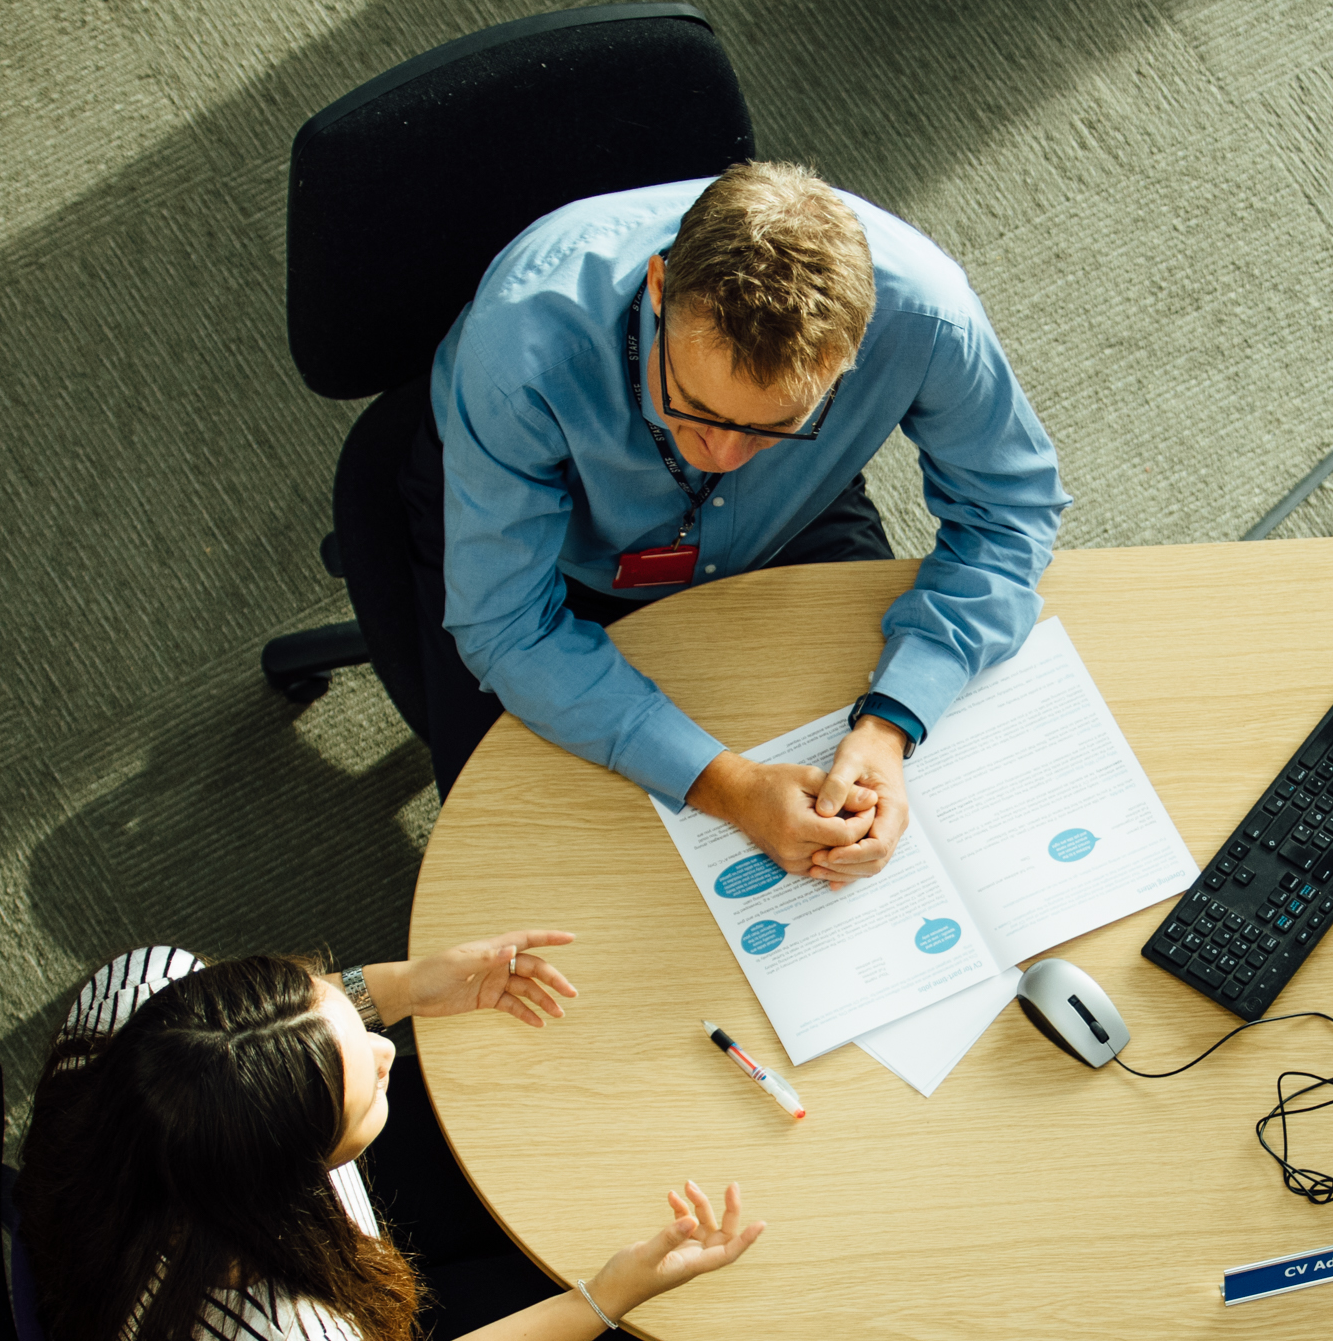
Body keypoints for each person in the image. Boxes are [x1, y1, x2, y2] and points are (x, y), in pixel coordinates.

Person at [356, 160, 1070, 888]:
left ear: (850, 354)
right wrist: (727, 787)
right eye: (694, 406)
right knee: (534, 867)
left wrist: (892, 722)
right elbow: (507, 628)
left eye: (776, 424)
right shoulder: (525, 355)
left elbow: (1010, 508)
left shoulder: (925, 317)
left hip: (790, 519)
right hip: (559, 553)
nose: (725, 456)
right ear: (660, 290)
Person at [14, 932, 763, 1341]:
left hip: (204, 1295)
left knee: (515, 1148)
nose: (384, 1052)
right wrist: (602, 1300)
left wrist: (404, 988)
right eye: (363, 1088)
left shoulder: (142, 993)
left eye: (335, 1008)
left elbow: (277, 1039)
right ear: (289, 1183)